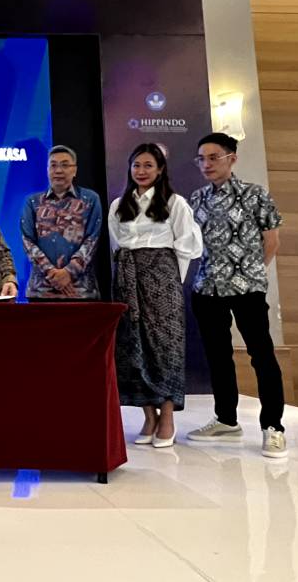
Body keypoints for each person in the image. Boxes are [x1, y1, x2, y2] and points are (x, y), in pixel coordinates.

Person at [186, 133, 288, 458]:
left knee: (262, 355)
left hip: (247, 289)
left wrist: (251, 273)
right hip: (207, 288)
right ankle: (226, 420)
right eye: (201, 158)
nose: (206, 164)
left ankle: (273, 427)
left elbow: (271, 241)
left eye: (213, 157)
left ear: (232, 158)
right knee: (218, 357)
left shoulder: (255, 194)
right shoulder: (196, 199)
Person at [108, 143, 202, 448]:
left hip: (163, 279)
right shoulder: (118, 205)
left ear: (160, 169)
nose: (142, 171)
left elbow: (186, 247)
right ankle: (148, 416)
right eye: (137, 165)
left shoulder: (175, 203)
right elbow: (116, 245)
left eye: (148, 165)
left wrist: (172, 283)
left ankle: (168, 416)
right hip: (127, 277)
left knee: (165, 347)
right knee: (132, 346)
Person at [20, 145, 102, 300]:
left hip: (80, 291)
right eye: (53, 165)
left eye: (65, 165)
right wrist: (52, 273)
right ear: (47, 170)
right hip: (41, 291)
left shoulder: (90, 199)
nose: (58, 170)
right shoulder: (32, 202)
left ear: (75, 170)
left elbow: (93, 239)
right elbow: (27, 241)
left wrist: (68, 272)